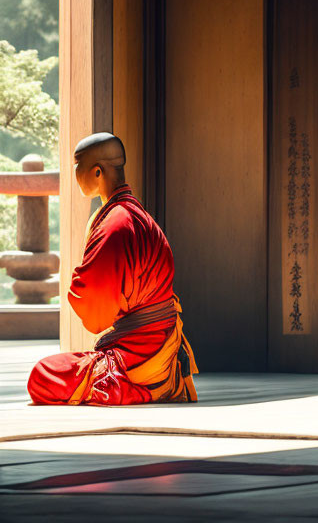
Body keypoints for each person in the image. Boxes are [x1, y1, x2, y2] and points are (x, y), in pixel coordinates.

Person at [27, 132, 198, 406]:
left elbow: (94, 311)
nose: (74, 174)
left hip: (140, 349)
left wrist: (77, 284)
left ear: (97, 171)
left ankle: (136, 389)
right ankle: (154, 384)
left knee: (43, 374)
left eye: (77, 166)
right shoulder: (134, 214)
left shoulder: (116, 223)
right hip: (156, 341)